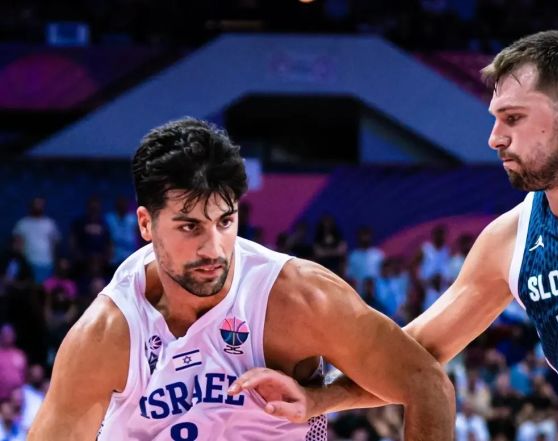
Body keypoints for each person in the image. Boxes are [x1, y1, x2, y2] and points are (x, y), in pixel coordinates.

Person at [232, 30, 558, 440]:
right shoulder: (510, 239)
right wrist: (321, 399)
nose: (495, 138)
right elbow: (417, 356)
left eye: (513, 118)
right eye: (496, 120)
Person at [28, 118, 455, 440]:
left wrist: (322, 399)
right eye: (190, 226)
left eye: (225, 221)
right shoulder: (109, 333)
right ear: (145, 224)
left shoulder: (297, 297)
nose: (213, 248)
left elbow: (426, 384)